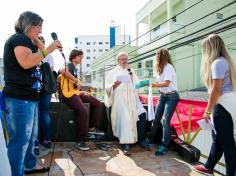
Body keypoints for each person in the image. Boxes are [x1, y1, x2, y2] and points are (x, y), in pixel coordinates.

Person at [3, 11, 62, 176]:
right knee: (20, 139)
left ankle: (30, 165)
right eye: (38, 27)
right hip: (19, 98)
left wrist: (36, 40)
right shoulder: (19, 39)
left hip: (30, 98)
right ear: (29, 24)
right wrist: (49, 47)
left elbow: (43, 54)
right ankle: (16, 173)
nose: (41, 31)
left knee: (30, 137)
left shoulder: (27, 40)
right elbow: (26, 62)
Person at [193, 34, 236, 176]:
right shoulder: (226, 61)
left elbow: (216, 90)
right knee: (218, 139)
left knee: (228, 145)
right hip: (229, 104)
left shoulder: (217, 63)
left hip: (222, 106)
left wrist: (207, 111)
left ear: (210, 48)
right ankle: (208, 167)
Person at [105, 52, 151, 156]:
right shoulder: (113, 72)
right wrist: (114, 85)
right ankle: (126, 144)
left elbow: (137, 85)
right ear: (118, 60)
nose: (124, 61)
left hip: (132, 99)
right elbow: (107, 88)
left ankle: (141, 140)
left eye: (126, 59)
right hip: (120, 100)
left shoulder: (131, 71)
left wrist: (143, 83)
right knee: (125, 118)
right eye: (122, 59)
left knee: (142, 114)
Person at [58, 49, 103, 151]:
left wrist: (85, 89)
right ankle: (79, 140)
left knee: (96, 103)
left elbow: (75, 86)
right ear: (74, 57)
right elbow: (62, 70)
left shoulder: (74, 68)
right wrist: (76, 80)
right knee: (83, 111)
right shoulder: (69, 65)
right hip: (67, 95)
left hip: (75, 93)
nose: (82, 58)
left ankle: (91, 128)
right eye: (80, 56)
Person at [149, 48, 179, 156]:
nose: (156, 57)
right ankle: (151, 140)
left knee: (165, 121)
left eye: (157, 55)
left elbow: (166, 83)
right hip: (162, 96)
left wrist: (154, 85)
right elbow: (161, 84)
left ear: (162, 56)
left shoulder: (169, 67)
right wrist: (156, 86)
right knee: (156, 119)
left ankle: (164, 146)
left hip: (172, 97)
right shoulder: (160, 69)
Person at [34, 36, 54, 155]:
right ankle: (47, 139)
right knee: (45, 113)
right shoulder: (48, 54)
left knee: (35, 115)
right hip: (46, 88)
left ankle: (35, 143)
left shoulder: (33, 52)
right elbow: (51, 70)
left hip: (35, 87)